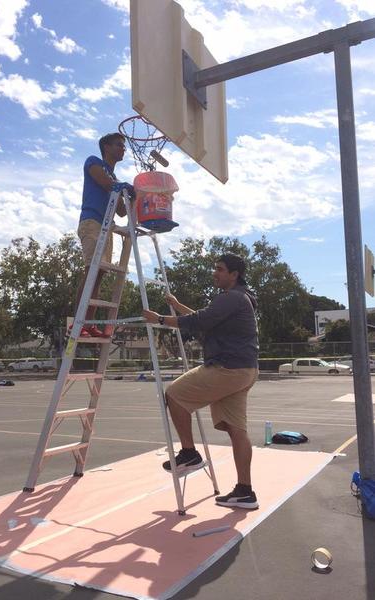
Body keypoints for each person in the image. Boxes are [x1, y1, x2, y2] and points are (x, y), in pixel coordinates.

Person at [142, 253, 259, 510]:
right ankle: (245, 492)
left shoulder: (232, 297)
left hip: (227, 368)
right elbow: (205, 319)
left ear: (234, 274)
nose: (215, 273)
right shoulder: (242, 297)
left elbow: (199, 321)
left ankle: (189, 453)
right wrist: (177, 305)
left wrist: (159, 319)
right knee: (237, 430)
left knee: (174, 394)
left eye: (220, 269)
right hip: (245, 370)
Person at [75, 132, 133, 338]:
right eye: (119, 145)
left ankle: (88, 323)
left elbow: (121, 211)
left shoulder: (115, 179)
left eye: (124, 146)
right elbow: (107, 184)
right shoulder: (94, 162)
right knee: (91, 270)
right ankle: (78, 323)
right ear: (106, 147)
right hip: (92, 222)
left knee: (99, 275)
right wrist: (126, 188)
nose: (123, 149)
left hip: (107, 226)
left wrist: (136, 197)